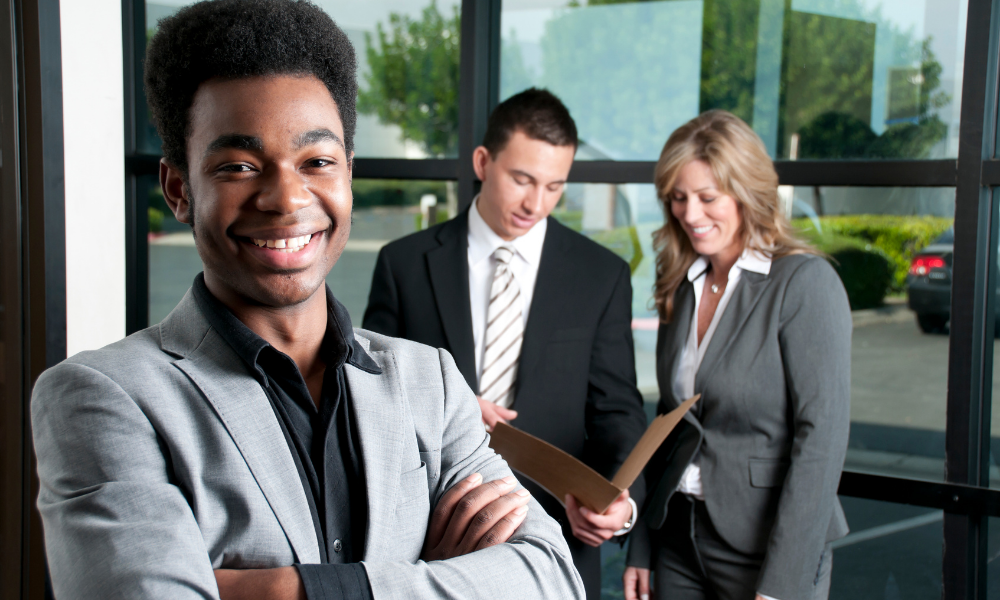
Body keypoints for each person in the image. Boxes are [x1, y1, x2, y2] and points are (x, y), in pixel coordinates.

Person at [31, 2, 585, 599]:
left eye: (317, 161)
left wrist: (274, 589)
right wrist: (430, 574)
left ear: (347, 174)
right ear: (179, 189)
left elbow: (550, 579)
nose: (286, 197)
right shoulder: (102, 398)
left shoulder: (432, 381)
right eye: (239, 166)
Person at [363, 88, 648, 599]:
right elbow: (367, 395)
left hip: (556, 540)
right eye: (522, 179)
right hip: (428, 537)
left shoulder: (600, 274)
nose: (535, 203)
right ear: (482, 162)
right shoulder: (403, 264)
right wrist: (446, 401)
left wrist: (620, 503)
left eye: (554, 186)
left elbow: (617, 410)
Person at [622, 110, 851, 600]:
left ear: (747, 192)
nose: (690, 214)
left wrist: (782, 584)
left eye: (707, 198)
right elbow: (669, 421)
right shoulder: (681, 285)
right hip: (679, 537)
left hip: (766, 549)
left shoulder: (804, 285)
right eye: (678, 198)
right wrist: (641, 543)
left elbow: (822, 441)